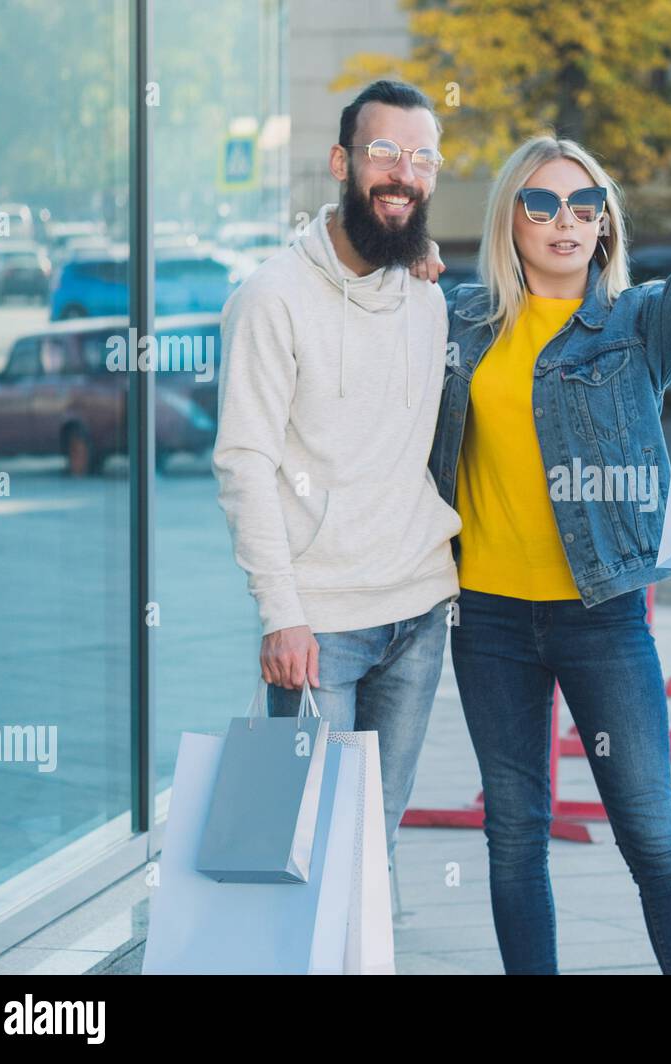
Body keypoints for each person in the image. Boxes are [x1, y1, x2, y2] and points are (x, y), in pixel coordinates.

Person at [417, 135, 671, 974]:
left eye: (585, 206)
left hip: (601, 617)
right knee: (515, 834)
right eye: (543, 204)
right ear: (509, 221)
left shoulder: (635, 325)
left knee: (651, 832)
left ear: (604, 226)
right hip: (483, 618)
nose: (566, 222)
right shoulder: (458, 321)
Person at [212, 80, 459, 867]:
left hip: (418, 612)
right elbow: (243, 461)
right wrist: (280, 613)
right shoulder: (270, 297)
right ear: (341, 162)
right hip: (319, 629)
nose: (402, 173)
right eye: (383, 152)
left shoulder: (426, 296)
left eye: (421, 158)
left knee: (372, 848)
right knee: (300, 851)